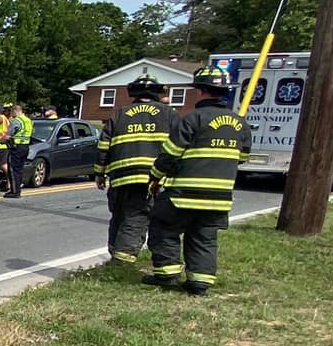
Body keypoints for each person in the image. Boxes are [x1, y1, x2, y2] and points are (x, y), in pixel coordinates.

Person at [146, 67, 251, 295]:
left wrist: (155, 175)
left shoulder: (192, 119)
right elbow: (242, 157)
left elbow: (170, 154)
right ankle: (199, 283)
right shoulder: (240, 124)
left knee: (164, 229)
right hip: (219, 198)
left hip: (184, 193)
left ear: (200, 90)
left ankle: (167, 275)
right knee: (204, 237)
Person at [95, 76, 178, 262]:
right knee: (137, 216)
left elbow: (103, 146)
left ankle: (115, 252)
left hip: (120, 177)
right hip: (152, 178)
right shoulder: (168, 114)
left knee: (119, 215)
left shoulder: (120, 113)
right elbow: (177, 146)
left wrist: (99, 173)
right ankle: (121, 262)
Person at [2, 101, 34, 198]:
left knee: (12, 169)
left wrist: (1, 140)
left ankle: (14, 191)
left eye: (12, 113)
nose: (12, 115)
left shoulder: (17, 121)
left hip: (16, 147)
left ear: (16, 111)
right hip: (25, 147)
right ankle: (18, 189)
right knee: (19, 169)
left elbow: (9, 134)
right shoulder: (28, 120)